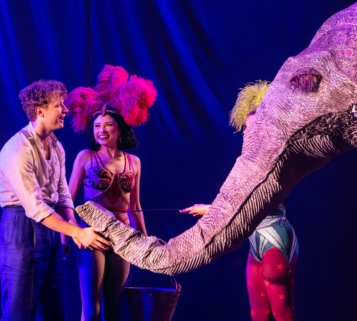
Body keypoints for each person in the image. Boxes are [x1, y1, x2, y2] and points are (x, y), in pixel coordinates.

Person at [180, 81, 299, 321]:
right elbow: (234, 198)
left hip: (275, 235)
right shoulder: (245, 163)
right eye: (246, 128)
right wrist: (210, 208)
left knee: (282, 312)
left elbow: (251, 202)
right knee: (258, 314)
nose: (248, 133)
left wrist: (208, 209)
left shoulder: (277, 160)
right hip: (256, 240)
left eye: (253, 128)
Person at [0, 79, 111, 321]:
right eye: (59, 105)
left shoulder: (56, 146)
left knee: (54, 311)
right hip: (21, 229)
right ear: (40, 111)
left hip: (50, 229)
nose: (65, 111)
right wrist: (77, 233)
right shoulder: (18, 151)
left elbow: (62, 195)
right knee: (19, 312)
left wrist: (70, 231)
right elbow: (36, 208)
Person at [65, 65, 156, 321]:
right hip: (92, 233)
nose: (101, 130)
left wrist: (144, 241)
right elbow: (68, 199)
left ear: (120, 129)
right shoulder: (85, 157)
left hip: (123, 236)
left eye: (107, 125)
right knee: (91, 310)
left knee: (114, 309)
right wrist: (69, 234)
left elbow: (135, 206)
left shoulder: (134, 162)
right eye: (96, 126)